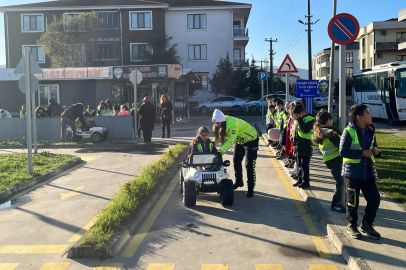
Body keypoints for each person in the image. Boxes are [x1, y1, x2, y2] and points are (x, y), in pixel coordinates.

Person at [340, 104, 381, 240]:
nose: (371, 115)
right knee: (352, 202)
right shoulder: (349, 132)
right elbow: (343, 152)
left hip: (367, 172)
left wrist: (376, 151)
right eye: (368, 113)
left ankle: (367, 224)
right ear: (359, 117)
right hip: (352, 173)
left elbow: (373, 147)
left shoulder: (370, 130)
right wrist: (363, 153)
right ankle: (352, 225)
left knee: (374, 199)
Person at [212, 109, 259, 197]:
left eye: (218, 123)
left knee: (249, 165)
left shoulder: (233, 125)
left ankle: (250, 188)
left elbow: (230, 141)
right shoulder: (221, 122)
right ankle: (239, 182)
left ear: (222, 121)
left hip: (251, 140)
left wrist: (220, 153)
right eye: (215, 123)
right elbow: (218, 137)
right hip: (240, 141)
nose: (217, 125)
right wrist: (210, 145)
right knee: (236, 161)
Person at [313, 109, 345, 213]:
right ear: (329, 120)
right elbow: (342, 146)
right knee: (340, 182)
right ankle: (335, 204)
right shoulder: (330, 133)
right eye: (331, 119)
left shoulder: (319, 131)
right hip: (336, 160)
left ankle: (340, 201)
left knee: (341, 182)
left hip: (330, 160)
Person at [291, 103, 314, 189]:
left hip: (305, 146)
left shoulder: (310, 119)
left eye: (297, 115)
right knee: (299, 164)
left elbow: (305, 129)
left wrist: (299, 120)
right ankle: (300, 179)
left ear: (302, 112)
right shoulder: (298, 119)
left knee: (304, 166)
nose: (296, 116)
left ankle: (306, 182)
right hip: (297, 146)